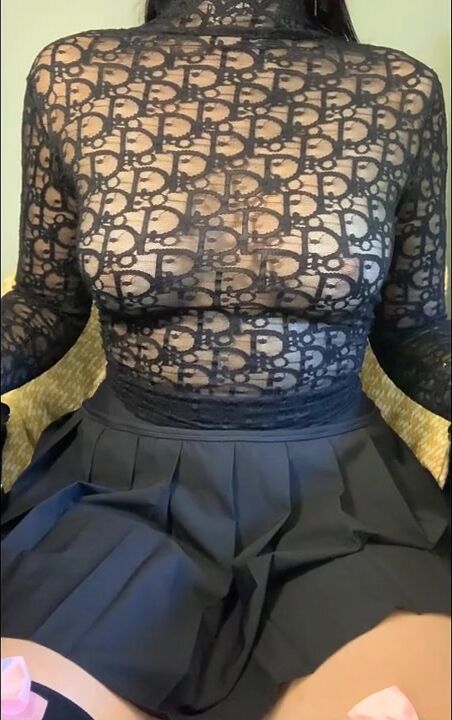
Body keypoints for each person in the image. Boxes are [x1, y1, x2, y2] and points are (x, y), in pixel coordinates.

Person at [1, 0, 451, 718]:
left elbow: (416, 329)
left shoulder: (401, 91)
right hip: (116, 494)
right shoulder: (73, 74)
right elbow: (44, 304)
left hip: (343, 506)